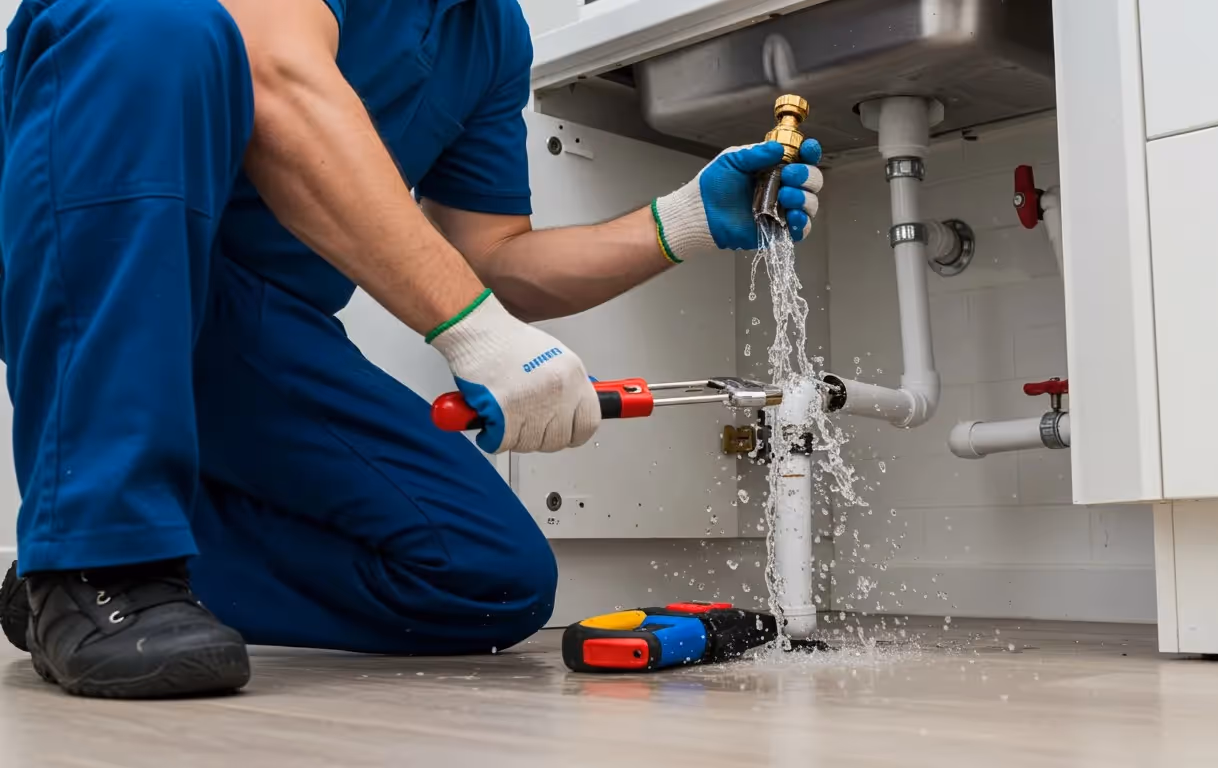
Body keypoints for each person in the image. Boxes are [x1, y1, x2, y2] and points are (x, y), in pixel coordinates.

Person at [0, 0, 824, 699]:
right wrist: (478, 335)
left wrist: (678, 222)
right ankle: (96, 559)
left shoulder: (490, 32)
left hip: (258, 327)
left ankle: (86, 575)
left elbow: (494, 255)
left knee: (489, 577)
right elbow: (277, 76)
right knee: (152, 18)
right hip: (96, 230)